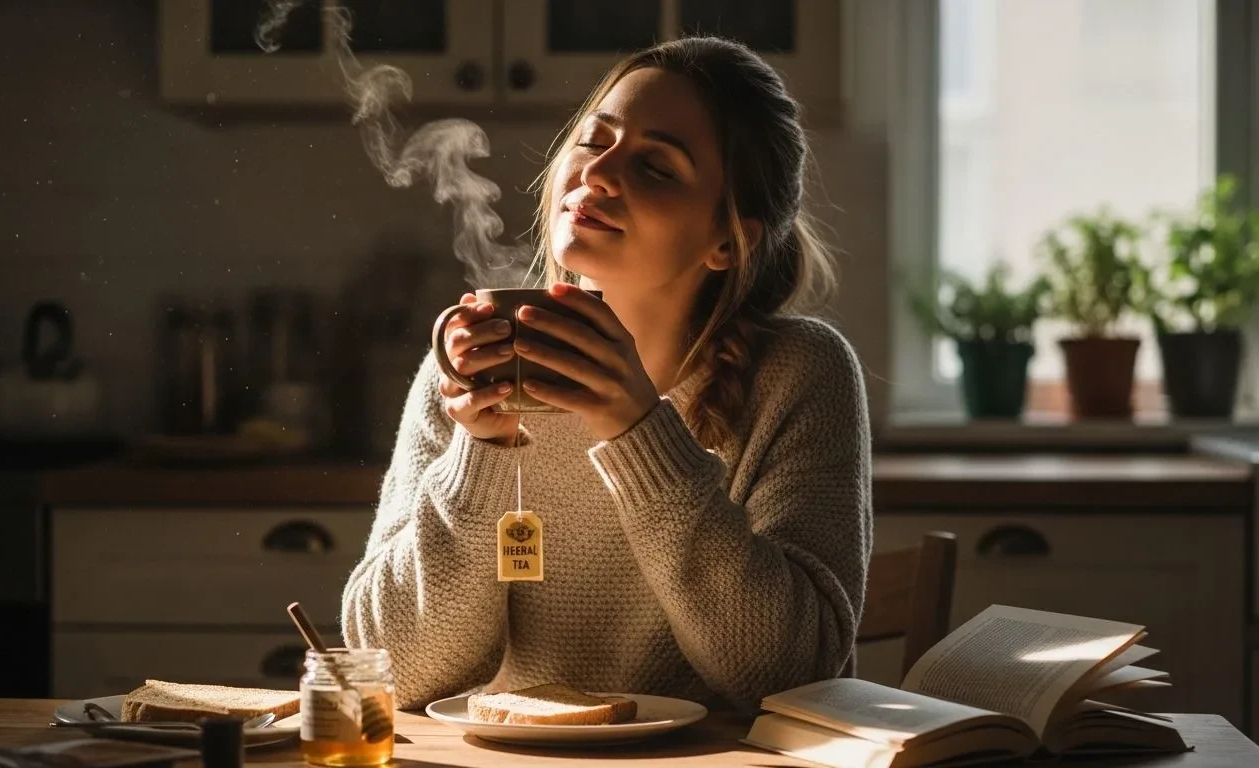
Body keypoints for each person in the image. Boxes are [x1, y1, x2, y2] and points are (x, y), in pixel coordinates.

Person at [342, 36, 872, 713]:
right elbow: (393, 670)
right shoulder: (467, 368)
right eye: (595, 141)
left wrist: (639, 429)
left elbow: (789, 674)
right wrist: (480, 456)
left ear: (727, 242)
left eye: (655, 166)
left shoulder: (801, 374)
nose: (598, 174)